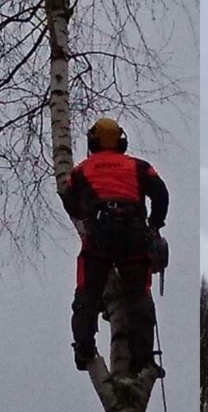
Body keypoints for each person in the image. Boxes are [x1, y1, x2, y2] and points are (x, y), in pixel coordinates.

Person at [61, 118, 169, 374]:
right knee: (139, 296)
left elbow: (69, 199)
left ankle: (84, 346)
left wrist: (86, 215)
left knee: (87, 291)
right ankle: (142, 359)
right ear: (121, 141)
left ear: (93, 141)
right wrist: (154, 225)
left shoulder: (80, 170)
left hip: (98, 234)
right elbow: (161, 194)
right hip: (133, 235)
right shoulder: (139, 166)